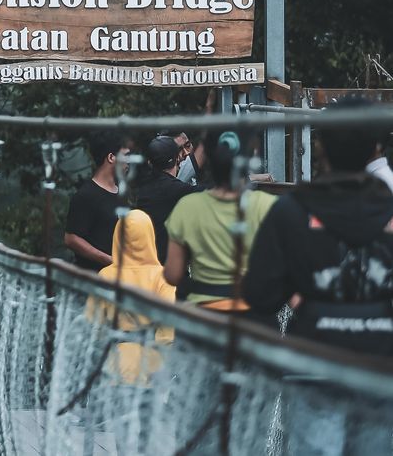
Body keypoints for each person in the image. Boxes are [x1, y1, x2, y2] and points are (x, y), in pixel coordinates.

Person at [243, 123, 393, 456]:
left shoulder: (291, 209)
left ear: (322, 148)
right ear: (375, 150)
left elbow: (260, 293)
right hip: (379, 365)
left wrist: (300, 293)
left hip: (314, 362)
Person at [86, 209, 176, 454]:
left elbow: (94, 325)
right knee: (146, 432)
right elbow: (168, 331)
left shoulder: (106, 276)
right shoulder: (163, 278)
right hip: (152, 363)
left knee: (122, 433)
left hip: (117, 364)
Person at [163, 132, 277, 309]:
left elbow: (172, 275)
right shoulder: (269, 206)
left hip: (206, 316)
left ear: (209, 157)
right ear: (249, 157)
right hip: (255, 313)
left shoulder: (187, 207)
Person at [64, 133, 130, 272]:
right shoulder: (86, 195)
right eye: (125, 155)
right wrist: (110, 260)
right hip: (94, 278)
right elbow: (71, 239)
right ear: (111, 157)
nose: (128, 161)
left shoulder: (121, 192)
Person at [134, 136, 203, 264]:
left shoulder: (145, 187)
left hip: (148, 262)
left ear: (150, 162)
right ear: (178, 158)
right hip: (166, 267)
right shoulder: (172, 189)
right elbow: (211, 193)